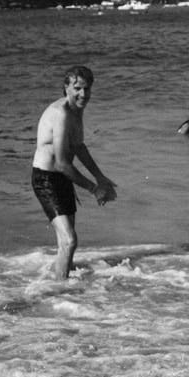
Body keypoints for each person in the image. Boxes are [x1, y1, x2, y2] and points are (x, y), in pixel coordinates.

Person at [31, 65, 118, 280]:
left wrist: (99, 176)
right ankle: (60, 289)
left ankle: (61, 282)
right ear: (66, 87)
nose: (83, 94)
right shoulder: (61, 113)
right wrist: (93, 189)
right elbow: (61, 163)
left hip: (63, 178)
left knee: (66, 243)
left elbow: (78, 146)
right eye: (78, 88)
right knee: (70, 241)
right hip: (46, 179)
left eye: (87, 89)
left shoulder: (76, 110)